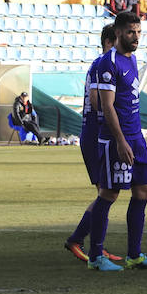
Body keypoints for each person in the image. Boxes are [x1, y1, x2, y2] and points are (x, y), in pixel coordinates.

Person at [88, 11, 147, 271]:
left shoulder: (131, 60)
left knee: (143, 191)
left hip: (137, 136)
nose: (136, 37)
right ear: (118, 32)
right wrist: (120, 141)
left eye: (139, 32)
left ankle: (135, 254)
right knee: (109, 194)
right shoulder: (106, 63)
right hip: (115, 139)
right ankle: (96, 257)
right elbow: (107, 107)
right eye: (131, 32)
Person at [64, 25, 123, 265]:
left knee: (108, 192)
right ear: (110, 42)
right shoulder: (102, 65)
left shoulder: (105, 64)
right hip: (94, 132)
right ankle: (78, 240)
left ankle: (95, 243)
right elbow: (97, 102)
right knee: (106, 193)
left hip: (98, 131)